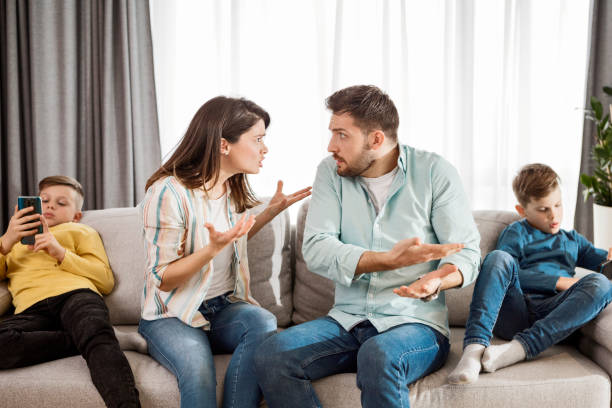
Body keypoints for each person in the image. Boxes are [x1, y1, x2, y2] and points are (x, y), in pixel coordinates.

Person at [254, 85, 481, 408]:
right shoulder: (330, 174)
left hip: (414, 324)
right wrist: (386, 261)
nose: (331, 145)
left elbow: (467, 251)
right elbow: (317, 248)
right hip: (347, 319)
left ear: (376, 140)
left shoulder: (434, 172)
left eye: (341, 135)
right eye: (332, 133)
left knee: (379, 354)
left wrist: (437, 279)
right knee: (273, 353)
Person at [138, 96, 311, 408]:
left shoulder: (231, 187)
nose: (265, 149)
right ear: (223, 145)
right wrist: (211, 249)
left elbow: (233, 239)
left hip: (222, 308)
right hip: (172, 314)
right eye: (257, 140)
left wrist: (269, 213)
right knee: (197, 368)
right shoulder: (168, 192)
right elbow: (162, 278)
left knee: (262, 322)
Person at [448, 163, 612, 385]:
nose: (554, 215)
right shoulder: (517, 232)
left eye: (558, 205)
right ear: (522, 211)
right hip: (517, 310)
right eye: (543, 209)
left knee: (601, 283)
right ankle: (474, 351)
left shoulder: (573, 240)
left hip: (555, 315)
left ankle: (519, 349)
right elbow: (505, 274)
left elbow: (603, 265)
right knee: (498, 258)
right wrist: (559, 281)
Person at [0, 175, 141, 407]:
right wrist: (6, 241)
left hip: (75, 296)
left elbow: (105, 280)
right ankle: (82, 339)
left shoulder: (81, 232)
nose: (50, 206)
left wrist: (60, 253)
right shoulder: (13, 240)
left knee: (96, 335)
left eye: (61, 203)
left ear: (76, 216)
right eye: (44, 200)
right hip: (30, 308)